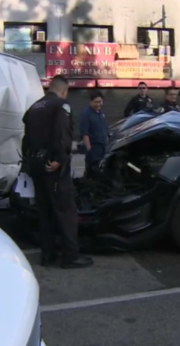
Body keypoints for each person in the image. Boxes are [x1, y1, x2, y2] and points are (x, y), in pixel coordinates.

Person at [21, 75, 94, 269]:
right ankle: (70, 256)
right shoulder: (61, 106)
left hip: (36, 166)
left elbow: (26, 139)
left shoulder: (34, 108)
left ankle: (48, 255)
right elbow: (63, 135)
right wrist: (59, 160)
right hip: (53, 168)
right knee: (66, 211)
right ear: (64, 91)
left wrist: (29, 163)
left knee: (45, 212)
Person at [79, 90, 109, 178]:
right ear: (91, 101)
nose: (98, 104)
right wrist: (89, 150)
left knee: (101, 174)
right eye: (96, 102)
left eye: (100, 102)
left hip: (103, 148)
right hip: (93, 148)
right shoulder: (86, 114)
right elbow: (85, 134)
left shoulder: (101, 113)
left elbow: (105, 129)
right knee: (91, 174)